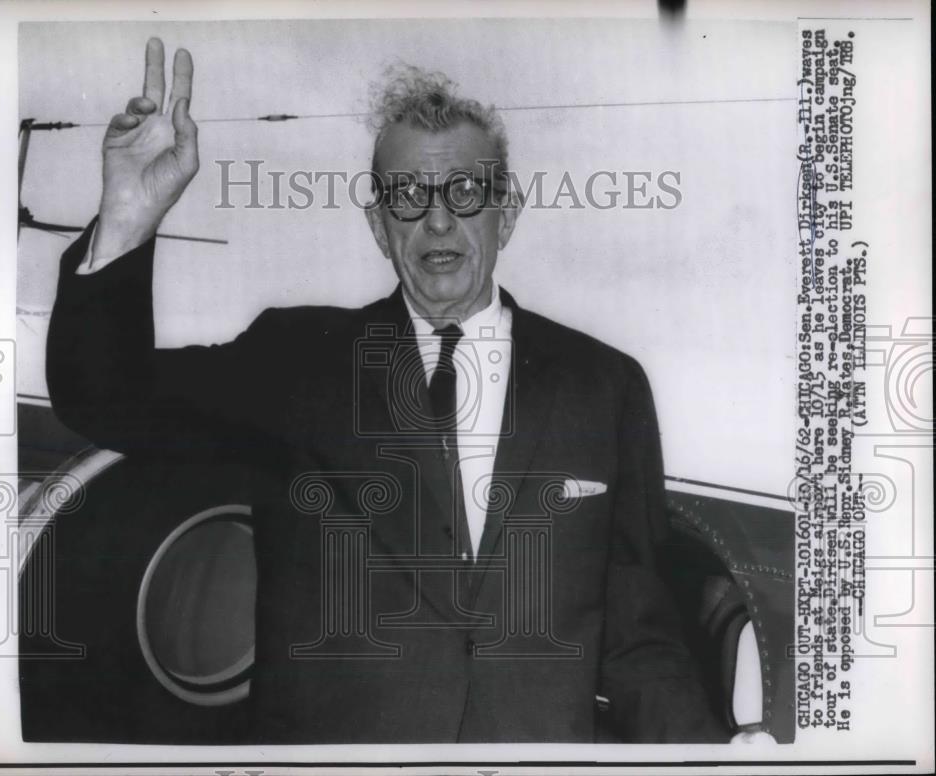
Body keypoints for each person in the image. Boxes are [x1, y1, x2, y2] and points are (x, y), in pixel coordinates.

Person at [47, 37, 732, 744]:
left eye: (465, 191)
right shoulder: (294, 361)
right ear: (378, 224)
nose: (438, 220)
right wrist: (129, 217)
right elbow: (105, 398)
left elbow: (638, 644)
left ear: (510, 210)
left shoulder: (604, 387)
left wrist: (716, 760)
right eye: (408, 196)